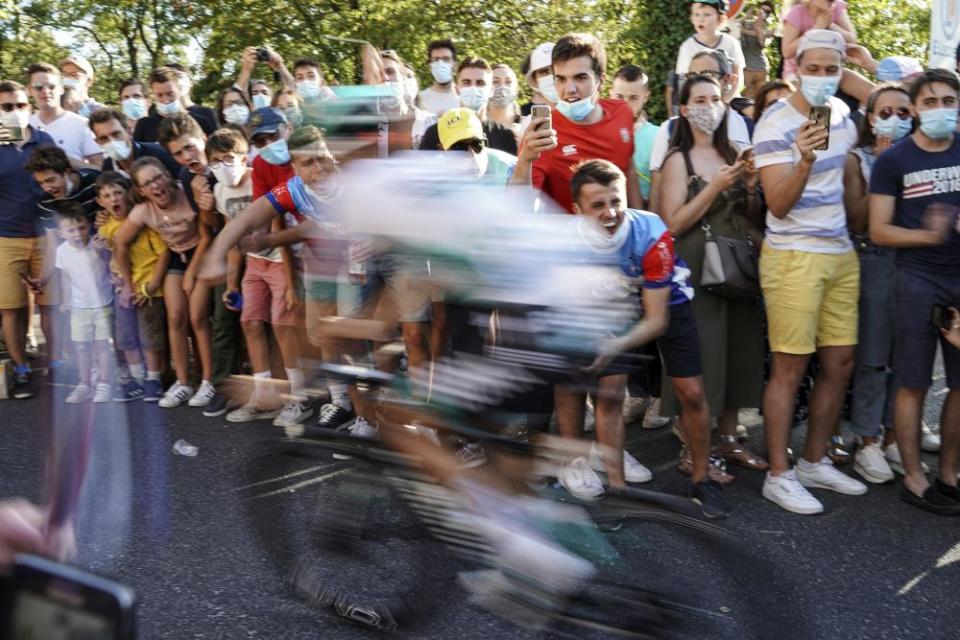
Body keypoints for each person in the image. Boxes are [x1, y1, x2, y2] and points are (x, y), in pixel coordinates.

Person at [562, 159, 729, 517]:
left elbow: (656, 321)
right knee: (609, 395)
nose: (610, 213)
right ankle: (618, 490)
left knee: (692, 392)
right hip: (612, 306)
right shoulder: (567, 241)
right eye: (598, 205)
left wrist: (615, 345)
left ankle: (703, 480)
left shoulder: (651, 232)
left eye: (616, 201)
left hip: (667, 301)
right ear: (577, 209)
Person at [753, 29, 866, 514]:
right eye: (814, 68)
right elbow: (776, 206)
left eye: (831, 68)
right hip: (793, 256)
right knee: (790, 368)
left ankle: (814, 461)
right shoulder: (773, 123)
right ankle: (778, 474)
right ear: (796, 68)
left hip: (840, 252)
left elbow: (885, 93)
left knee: (840, 363)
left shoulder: (842, 115)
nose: (823, 77)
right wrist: (802, 160)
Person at [657, 74, 768, 477]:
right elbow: (671, 223)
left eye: (716, 99)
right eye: (699, 100)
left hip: (737, 265)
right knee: (703, 359)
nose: (709, 106)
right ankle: (692, 450)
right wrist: (712, 187)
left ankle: (727, 439)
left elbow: (750, 216)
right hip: (697, 266)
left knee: (739, 351)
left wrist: (751, 188)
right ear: (684, 109)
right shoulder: (677, 160)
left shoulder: (735, 151)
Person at [869, 68, 960, 514]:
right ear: (916, 108)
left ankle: (948, 473)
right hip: (917, 280)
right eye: (930, 102)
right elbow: (879, 230)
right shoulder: (894, 160)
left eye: (948, 100)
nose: (940, 109)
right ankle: (914, 477)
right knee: (914, 382)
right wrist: (929, 234)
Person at [205, 128, 310, 427]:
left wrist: (291, 282)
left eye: (228, 158)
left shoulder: (258, 179)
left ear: (243, 156)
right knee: (250, 323)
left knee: (283, 326)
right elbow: (232, 232)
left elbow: (277, 228)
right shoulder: (219, 191)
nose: (222, 166)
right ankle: (263, 397)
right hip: (253, 264)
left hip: (279, 261)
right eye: (214, 160)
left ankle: (299, 399)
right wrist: (230, 283)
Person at [841, 83, 912, 484]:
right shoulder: (859, 160)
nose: (895, 120)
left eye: (904, 113)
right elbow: (856, 220)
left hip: (917, 264)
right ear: (870, 118)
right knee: (874, 354)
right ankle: (866, 439)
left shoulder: (921, 157)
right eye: (886, 112)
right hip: (874, 261)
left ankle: (892, 436)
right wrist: (884, 168)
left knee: (908, 356)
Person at [113, 158, 213, 409]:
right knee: (175, 316)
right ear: (141, 191)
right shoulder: (144, 210)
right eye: (147, 183)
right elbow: (120, 242)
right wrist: (128, 283)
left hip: (202, 253)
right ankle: (182, 382)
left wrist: (192, 272)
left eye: (157, 178)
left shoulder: (186, 193)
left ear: (167, 176)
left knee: (198, 316)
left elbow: (206, 235)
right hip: (175, 260)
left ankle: (208, 381)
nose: (155, 186)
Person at [158, 113, 240, 415]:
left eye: (189, 148)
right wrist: (205, 208)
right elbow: (209, 228)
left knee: (255, 323)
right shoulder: (187, 178)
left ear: (203, 139)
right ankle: (223, 386)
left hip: (252, 250)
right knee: (221, 318)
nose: (186, 157)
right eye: (178, 153)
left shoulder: (229, 163)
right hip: (220, 254)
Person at [512, 32, 641, 213]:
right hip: (571, 239)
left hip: (623, 236)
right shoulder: (541, 135)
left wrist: (641, 222)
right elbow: (518, 211)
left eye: (580, 78)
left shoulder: (622, 112)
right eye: (561, 79)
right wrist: (525, 160)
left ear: (601, 80)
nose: (570, 89)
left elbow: (629, 169)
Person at [0, 80, 57, 399]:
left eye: (20, 106)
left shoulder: (44, 140)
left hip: (45, 235)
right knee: (11, 309)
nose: (15, 112)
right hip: (6, 237)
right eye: (7, 107)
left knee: (50, 307)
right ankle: (21, 371)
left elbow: (59, 180)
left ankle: (53, 366)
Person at [94, 171, 170, 403]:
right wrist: (101, 254)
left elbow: (163, 252)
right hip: (121, 292)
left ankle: (153, 379)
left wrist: (152, 284)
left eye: (118, 192)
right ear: (100, 202)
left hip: (147, 288)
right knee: (126, 336)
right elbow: (109, 260)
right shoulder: (106, 228)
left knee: (150, 337)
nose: (114, 199)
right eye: (107, 195)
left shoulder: (143, 221)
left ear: (129, 194)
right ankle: (137, 380)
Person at [649, 51, 753, 213]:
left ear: (727, 80)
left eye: (708, 74)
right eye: (692, 75)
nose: (698, 81)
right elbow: (656, 196)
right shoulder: (670, 129)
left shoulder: (748, 127)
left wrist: (751, 189)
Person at [54, 204, 114, 404]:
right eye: (71, 230)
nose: (78, 234)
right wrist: (65, 300)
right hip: (79, 306)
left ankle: (104, 383)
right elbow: (65, 277)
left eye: (81, 228)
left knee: (102, 345)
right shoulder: (62, 251)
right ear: (61, 233)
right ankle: (85, 384)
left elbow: (109, 262)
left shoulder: (97, 244)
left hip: (102, 303)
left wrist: (101, 251)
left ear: (88, 226)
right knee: (81, 346)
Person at [418, 57, 517, 155]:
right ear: (457, 89)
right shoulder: (436, 133)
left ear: (491, 91)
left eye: (480, 83)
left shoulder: (505, 136)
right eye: (466, 82)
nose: (473, 88)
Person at [668, 0, 746, 112]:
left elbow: (738, 78)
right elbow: (683, 81)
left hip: (729, 103)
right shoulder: (687, 47)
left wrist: (725, 100)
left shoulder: (731, 43)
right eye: (697, 14)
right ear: (691, 18)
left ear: (720, 19)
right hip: (698, 105)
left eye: (707, 14)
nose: (701, 19)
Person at [26, 62, 102, 168]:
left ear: (61, 88)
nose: (45, 91)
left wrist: (67, 161)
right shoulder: (24, 125)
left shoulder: (82, 124)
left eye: (51, 86)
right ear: (29, 90)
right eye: (38, 87)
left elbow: (100, 169)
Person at [611, 64, 658, 206]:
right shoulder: (597, 133)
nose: (625, 104)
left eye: (633, 98)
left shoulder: (659, 136)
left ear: (646, 97)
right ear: (611, 93)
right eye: (619, 96)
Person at [88, 108, 181, 179]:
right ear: (98, 142)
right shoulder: (108, 167)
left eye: (116, 134)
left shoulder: (158, 154)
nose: (112, 141)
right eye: (104, 138)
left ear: (128, 131)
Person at [133, 67, 216, 143]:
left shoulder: (201, 122)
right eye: (159, 95)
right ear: (153, 95)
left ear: (179, 91)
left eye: (170, 94)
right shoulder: (144, 125)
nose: (165, 100)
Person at [418, 39, 461, 116]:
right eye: (436, 59)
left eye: (446, 59)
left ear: (455, 65)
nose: (441, 63)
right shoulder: (420, 99)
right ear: (430, 66)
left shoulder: (466, 97)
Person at [739, 4, 773, 98]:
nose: (763, 13)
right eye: (762, 9)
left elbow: (762, 43)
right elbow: (734, 24)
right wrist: (746, 16)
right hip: (747, 67)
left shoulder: (768, 30)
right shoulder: (748, 23)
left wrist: (746, 30)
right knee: (744, 97)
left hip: (761, 68)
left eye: (767, 12)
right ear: (758, 9)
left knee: (760, 98)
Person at [519, 42, 558, 116]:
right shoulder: (522, 115)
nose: (551, 75)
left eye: (555, 69)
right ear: (534, 78)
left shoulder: (579, 112)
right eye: (544, 71)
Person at [488, 63, 522, 133]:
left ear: (516, 89)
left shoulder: (526, 125)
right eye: (495, 82)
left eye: (508, 82)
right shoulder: (476, 126)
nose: (502, 86)